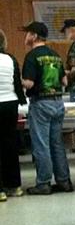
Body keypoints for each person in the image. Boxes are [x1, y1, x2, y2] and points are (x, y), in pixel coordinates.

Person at [19, 21, 73, 195]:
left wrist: (16, 79)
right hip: (58, 103)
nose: (25, 37)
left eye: (27, 33)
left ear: (34, 36)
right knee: (56, 143)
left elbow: (29, 83)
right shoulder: (55, 55)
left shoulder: (32, 56)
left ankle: (43, 183)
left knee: (41, 145)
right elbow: (65, 81)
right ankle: (64, 181)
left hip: (41, 103)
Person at [0, 29, 26, 199]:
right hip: (10, 104)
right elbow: (17, 84)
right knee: (10, 144)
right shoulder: (10, 59)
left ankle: (0, 190)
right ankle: (14, 186)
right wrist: (22, 102)